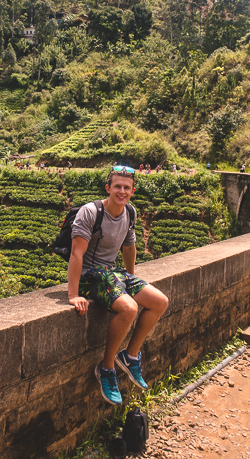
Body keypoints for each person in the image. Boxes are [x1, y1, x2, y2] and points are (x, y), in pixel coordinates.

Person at [68, 166, 169, 405]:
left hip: (113, 273)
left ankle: (130, 356)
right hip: (90, 274)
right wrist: (73, 294)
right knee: (130, 308)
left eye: (126, 187)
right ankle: (107, 367)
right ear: (108, 188)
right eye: (117, 187)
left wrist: (132, 281)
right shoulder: (91, 212)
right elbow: (76, 254)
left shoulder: (130, 212)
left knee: (159, 302)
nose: (121, 191)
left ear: (132, 190)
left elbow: (129, 248)